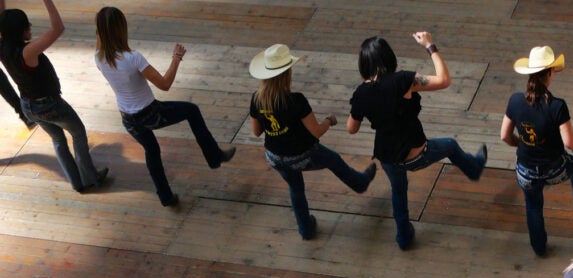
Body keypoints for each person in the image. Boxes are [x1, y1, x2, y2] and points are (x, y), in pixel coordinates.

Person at [348, 31, 486, 250]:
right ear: (389, 57)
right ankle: (474, 168)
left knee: (399, 191)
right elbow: (444, 80)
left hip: (388, 158)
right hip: (416, 154)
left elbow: (351, 128)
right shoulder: (403, 80)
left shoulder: (361, 93)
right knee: (450, 145)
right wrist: (429, 45)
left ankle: (403, 238)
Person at [93, 7, 235, 208]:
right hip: (150, 113)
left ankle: (165, 196)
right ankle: (214, 156)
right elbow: (165, 84)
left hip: (128, 119)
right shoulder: (133, 58)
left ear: (99, 32)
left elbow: (102, 40)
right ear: (121, 29)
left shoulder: (99, 57)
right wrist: (176, 58)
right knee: (191, 110)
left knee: (152, 151)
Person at [249, 43, 376, 240]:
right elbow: (316, 132)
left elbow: (256, 132)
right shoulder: (296, 100)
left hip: (274, 157)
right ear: (287, 73)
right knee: (333, 160)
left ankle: (306, 229)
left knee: (296, 188)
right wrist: (329, 121)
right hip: (302, 154)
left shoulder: (256, 99)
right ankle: (360, 183)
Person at [501, 45, 573, 257]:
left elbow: (504, 136)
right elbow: (569, 143)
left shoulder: (515, 101)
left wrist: (521, 144)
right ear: (550, 73)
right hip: (554, 170)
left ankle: (539, 248)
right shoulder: (557, 106)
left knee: (533, 207)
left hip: (525, 171)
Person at [0, 0, 108, 191]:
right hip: (49, 106)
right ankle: (91, 178)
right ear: (20, 30)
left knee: (58, 140)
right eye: (27, 25)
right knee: (78, 133)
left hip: (28, 106)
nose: (30, 27)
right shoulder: (28, 52)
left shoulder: (3, 48)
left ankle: (77, 183)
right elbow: (58, 29)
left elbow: (3, 20)